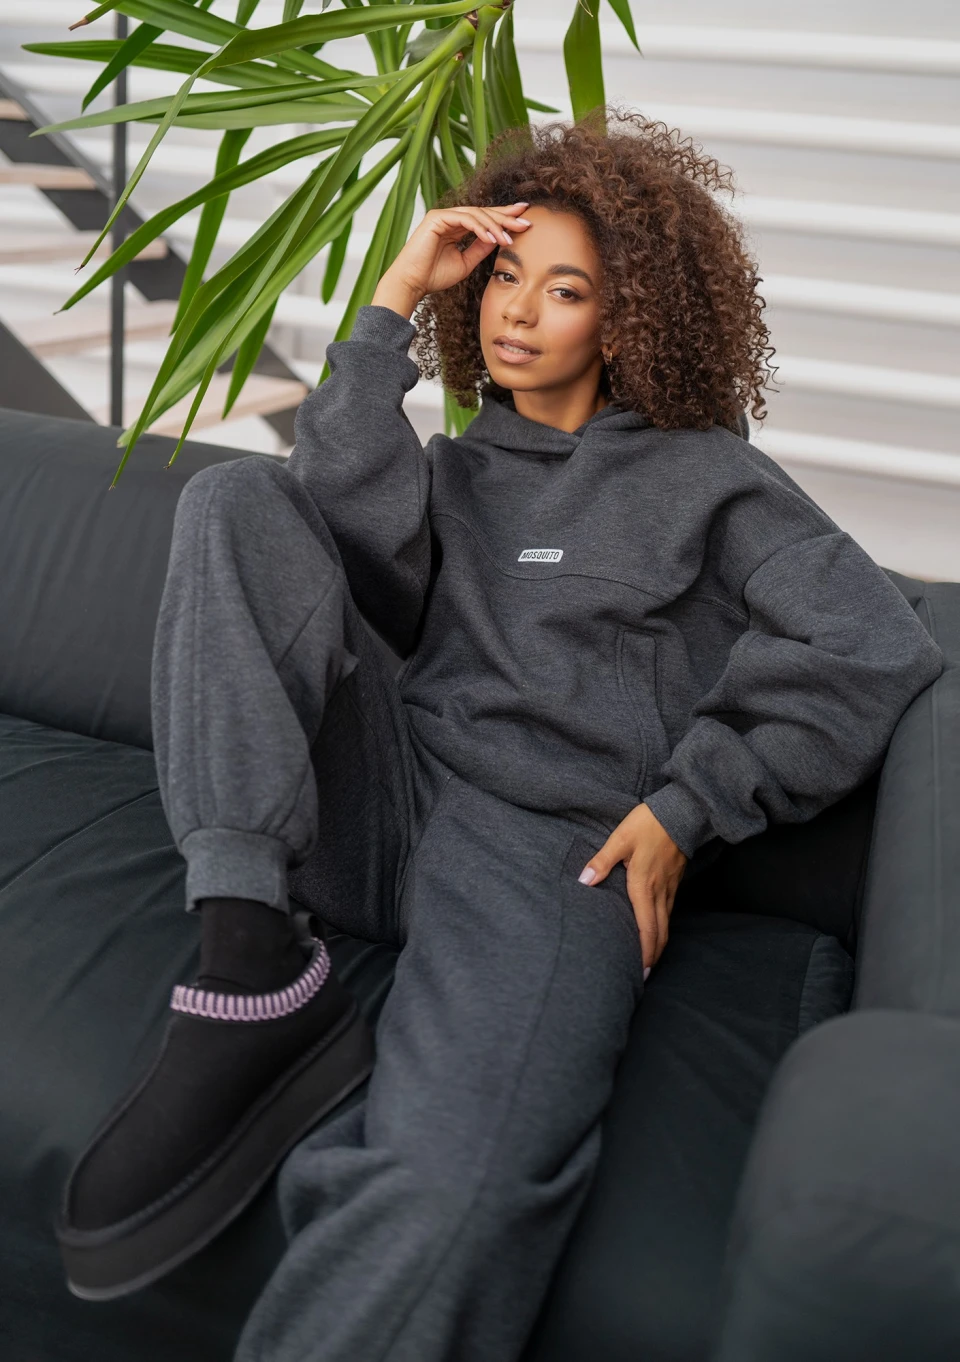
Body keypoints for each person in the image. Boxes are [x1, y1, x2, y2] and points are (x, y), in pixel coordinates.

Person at [57, 107, 943, 1359]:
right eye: (503, 278)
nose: (514, 314)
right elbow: (324, 538)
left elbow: (873, 644)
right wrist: (393, 300)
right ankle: (248, 956)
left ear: (627, 321)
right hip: (378, 804)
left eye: (563, 290)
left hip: (548, 857)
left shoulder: (710, 482)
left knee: (451, 1189)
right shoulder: (459, 470)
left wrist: (688, 807)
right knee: (237, 495)